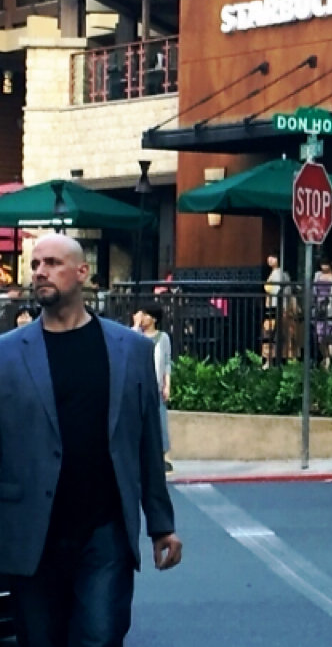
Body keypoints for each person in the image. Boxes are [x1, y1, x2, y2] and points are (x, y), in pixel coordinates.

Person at [0, 234, 181, 647]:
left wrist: (161, 524)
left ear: (82, 272)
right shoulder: (6, 355)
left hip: (104, 532)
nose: (40, 272)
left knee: (100, 636)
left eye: (52, 263)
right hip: (31, 534)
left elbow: (146, 442)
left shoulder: (130, 350)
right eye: (35, 264)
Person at [137, 303, 173, 473]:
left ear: (154, 319)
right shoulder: (136, 336)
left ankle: (162, 456)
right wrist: (136, 326)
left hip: (156, 387)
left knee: (160, 422)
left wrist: (167, 385)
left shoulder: (163, 338)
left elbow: (167, 363)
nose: (143, 318)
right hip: (139, 386)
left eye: (146, 315)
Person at [261, 252, 298, 367]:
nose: (270, 259)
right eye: (270, 256)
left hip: (275, 307)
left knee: (270, 334)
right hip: (278, 307)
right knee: (278, 335)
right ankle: (279, 360)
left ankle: (269, 360)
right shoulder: (283, 274)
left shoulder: (278, 273)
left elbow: (277, 291)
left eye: (274, 257)